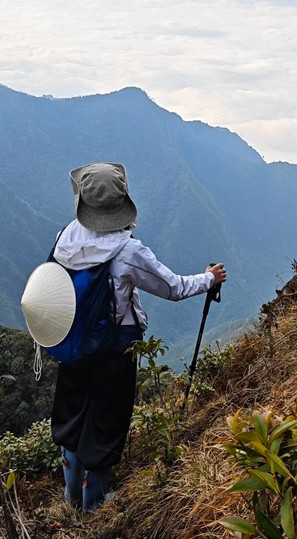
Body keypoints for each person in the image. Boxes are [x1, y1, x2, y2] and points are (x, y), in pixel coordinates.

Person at [50, 161, 227, 512]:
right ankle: (94, 506)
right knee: (105, 425)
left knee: (73, 418)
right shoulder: (128, 251)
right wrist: (209, 279)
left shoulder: (66, 237)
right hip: (113, 352)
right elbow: (172, 287)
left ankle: (71, 499)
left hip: (71, 344)